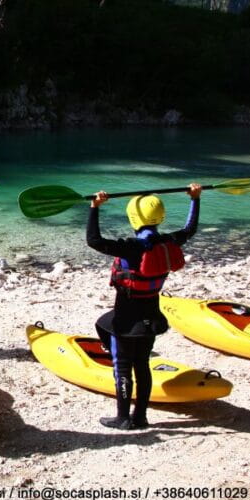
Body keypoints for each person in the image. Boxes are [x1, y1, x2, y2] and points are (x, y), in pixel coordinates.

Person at [87, 183, 202, 430]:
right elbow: (190, 229)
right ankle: (141, 416)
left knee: (122, 365)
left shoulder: (131, 246)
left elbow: (94, 240)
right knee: (142, 364)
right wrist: (195, 199)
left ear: (133, 218)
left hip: (126, 320)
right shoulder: (170, 241)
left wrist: (94, 208)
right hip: (151, 317)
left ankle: (122, 418)